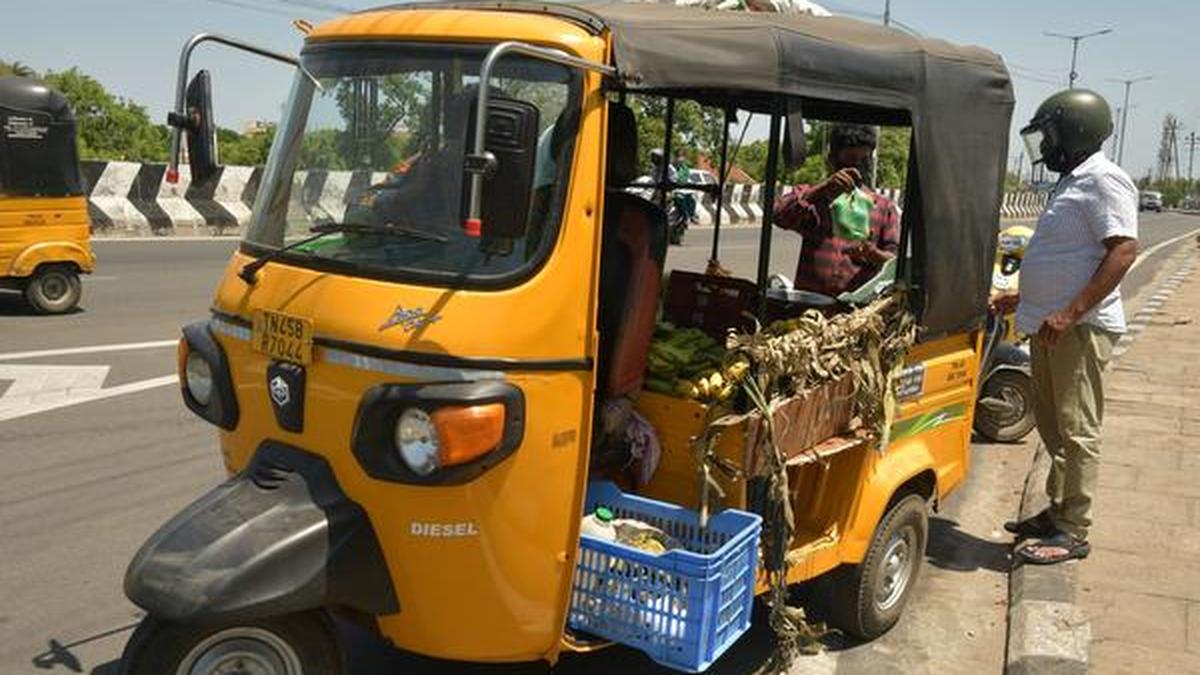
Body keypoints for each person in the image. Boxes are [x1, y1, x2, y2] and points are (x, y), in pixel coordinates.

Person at [996, 89, 1138, 565]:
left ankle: (1073, 530)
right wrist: (1027, 299)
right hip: (1050, 325)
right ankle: (1057, 512)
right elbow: (1068, 255)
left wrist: (1070, 312)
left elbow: (1122, 250)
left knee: (1077, 430)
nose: (1047, 146)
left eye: (1051, 134)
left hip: (1079, 329)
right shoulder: (1073, 180)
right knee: (1054, 427)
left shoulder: (1104, 180)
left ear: (1074, 131)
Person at [772, 124, 900, 296]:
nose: (857, 166)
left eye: (864, 159)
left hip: (856, 313)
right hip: (810, 306)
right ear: (832, 159)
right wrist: (823, 188)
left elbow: (895, 264)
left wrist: (872, 253)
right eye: (850, 157)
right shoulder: (814, 198)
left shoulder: (883, 208)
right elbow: (779, 215)